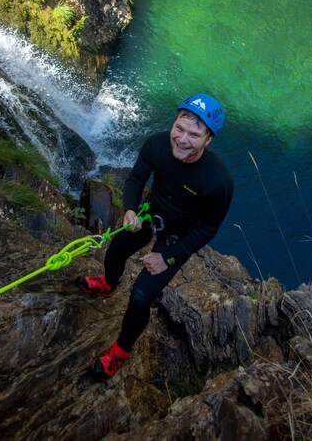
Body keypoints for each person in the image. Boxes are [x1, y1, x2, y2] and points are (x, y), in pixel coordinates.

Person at [76, 93, 234, 381]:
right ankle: (109, 286)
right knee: (113, 254)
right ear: (174, 123)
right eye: (179, 128)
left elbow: (208, 229)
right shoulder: (157, 144)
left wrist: (167, 256)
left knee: (139, 297)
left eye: (194, 135)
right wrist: (130, 211)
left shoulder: (218, 181)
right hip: (152, 214)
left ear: (208, 139)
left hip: (179, 234)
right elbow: (136, 180)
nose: (182, 139)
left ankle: (121, 351)